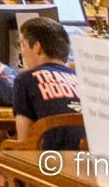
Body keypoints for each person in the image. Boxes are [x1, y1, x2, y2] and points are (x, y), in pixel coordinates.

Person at [13, 17, 83, 151]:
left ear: (37, 48)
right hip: (92, 163)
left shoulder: (25, 79)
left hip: (51, 165)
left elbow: (25, 144)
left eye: (22, 44)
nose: (22, 52)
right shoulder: (83, 79)